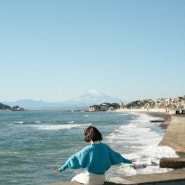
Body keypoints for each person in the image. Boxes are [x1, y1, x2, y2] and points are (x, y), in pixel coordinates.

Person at [52, 126, 136, 185]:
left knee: (74, 179)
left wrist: (61, 169)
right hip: (101, 180)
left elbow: (73, 159)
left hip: (90, 180)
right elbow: (117, 157)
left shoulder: (88, 149)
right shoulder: (105, 147)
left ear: (88, 136)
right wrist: (129, 161)